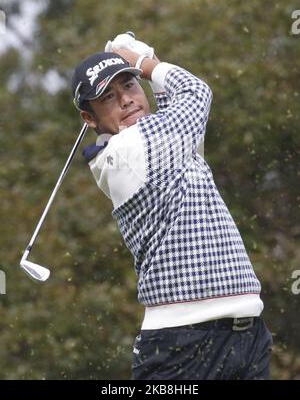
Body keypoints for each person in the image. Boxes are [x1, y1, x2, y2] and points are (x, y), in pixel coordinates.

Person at [71, 33, 273, 380]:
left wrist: (141, 59)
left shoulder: (160, 140)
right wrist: (142, 62)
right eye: (108, 98)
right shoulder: (130, 150)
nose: (126, 100)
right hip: (184, 345)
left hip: (247, 336)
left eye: (129, 86)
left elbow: (171, 105)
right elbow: (196, 93)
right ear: (90, 119)